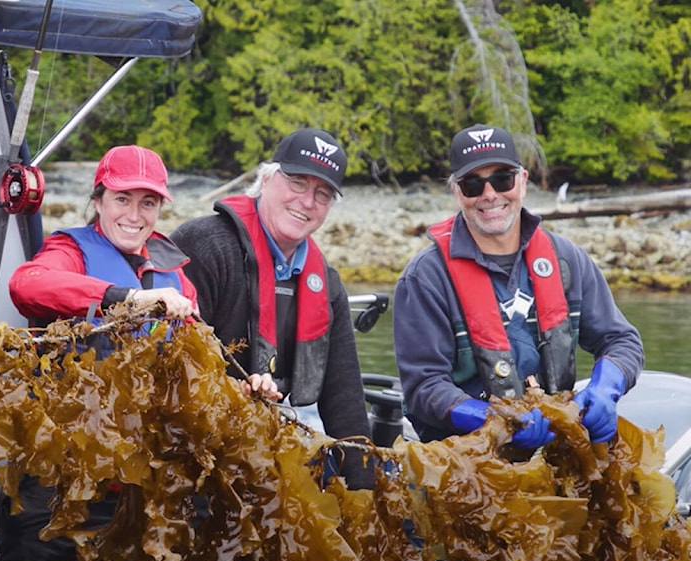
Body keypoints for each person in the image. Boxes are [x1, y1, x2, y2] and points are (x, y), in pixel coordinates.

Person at [1, 143, 198, 561]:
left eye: (148, 203)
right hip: (61, 476)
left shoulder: (175, 273)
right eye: (122, 199)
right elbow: (26, 284)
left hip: (138, 481)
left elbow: (199, 363)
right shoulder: (69, 250)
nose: (134, 214)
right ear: (98, 201)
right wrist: (123, 297)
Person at [392, 123, 644, 445]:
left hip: (558, 449)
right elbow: (423, 387)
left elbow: (622, 340)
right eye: (473, 184)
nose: (490, 195)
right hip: (465, 466)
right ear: (457, 192)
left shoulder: (568, 260)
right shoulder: (424, 279)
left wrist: (605, 387)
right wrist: (493, 420)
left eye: (502, 179)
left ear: (522, 182)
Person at [170, 128, 374, 484]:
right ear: (266, 179)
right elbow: (174, 371)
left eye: (322, 193)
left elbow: (345, 402)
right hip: (190, 450)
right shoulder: (204, 246)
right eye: (297, 183)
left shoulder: (327, 285)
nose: (307, 201)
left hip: (263, 450)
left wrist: (367, 496)